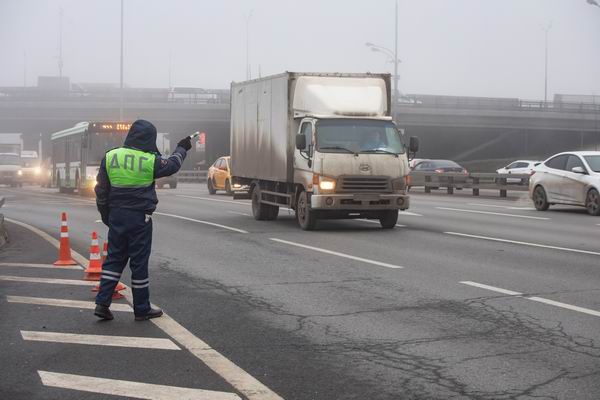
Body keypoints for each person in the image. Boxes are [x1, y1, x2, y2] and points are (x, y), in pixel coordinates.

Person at [93, 119, 192, 321]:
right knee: (138, 262)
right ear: (149, 138)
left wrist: (106, 216)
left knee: (114, 259)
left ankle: (102, 303)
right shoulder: (149, 160)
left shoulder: (110, 156)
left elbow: (101, 191)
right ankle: (141, 308)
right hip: (140, 218)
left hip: (116, 215)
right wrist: (182, 148)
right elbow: (172, 165)